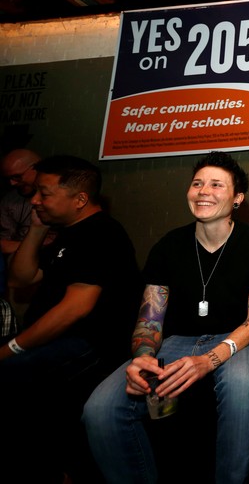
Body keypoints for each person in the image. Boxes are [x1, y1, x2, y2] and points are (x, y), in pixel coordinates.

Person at [83, 151, 249, 484]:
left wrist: (208, 360)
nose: (204, 191)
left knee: (241, 387)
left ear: (237, 198)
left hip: (238, 340)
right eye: (197, 183)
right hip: (176, 342)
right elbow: (150, 319)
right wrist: (142, 358)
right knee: (99, 410)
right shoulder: (168, 246)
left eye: (216, 184)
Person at [0, 155, 142, 481]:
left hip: (90, 346)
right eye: (35, 192)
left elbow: (75, 309)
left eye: (44, 193)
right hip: (62, 341)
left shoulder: (101, 233)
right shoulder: (68, 233)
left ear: (79, 199)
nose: (34, 200)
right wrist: (36, 229)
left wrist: (12, 349)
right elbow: (20, 278)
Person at [0, 148, 41, 257]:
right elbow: (4, 243)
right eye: (9, 178)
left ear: (36, 168)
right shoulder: (9, 200)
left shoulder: (58, 198)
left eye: (17, 176)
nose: (12, 183)